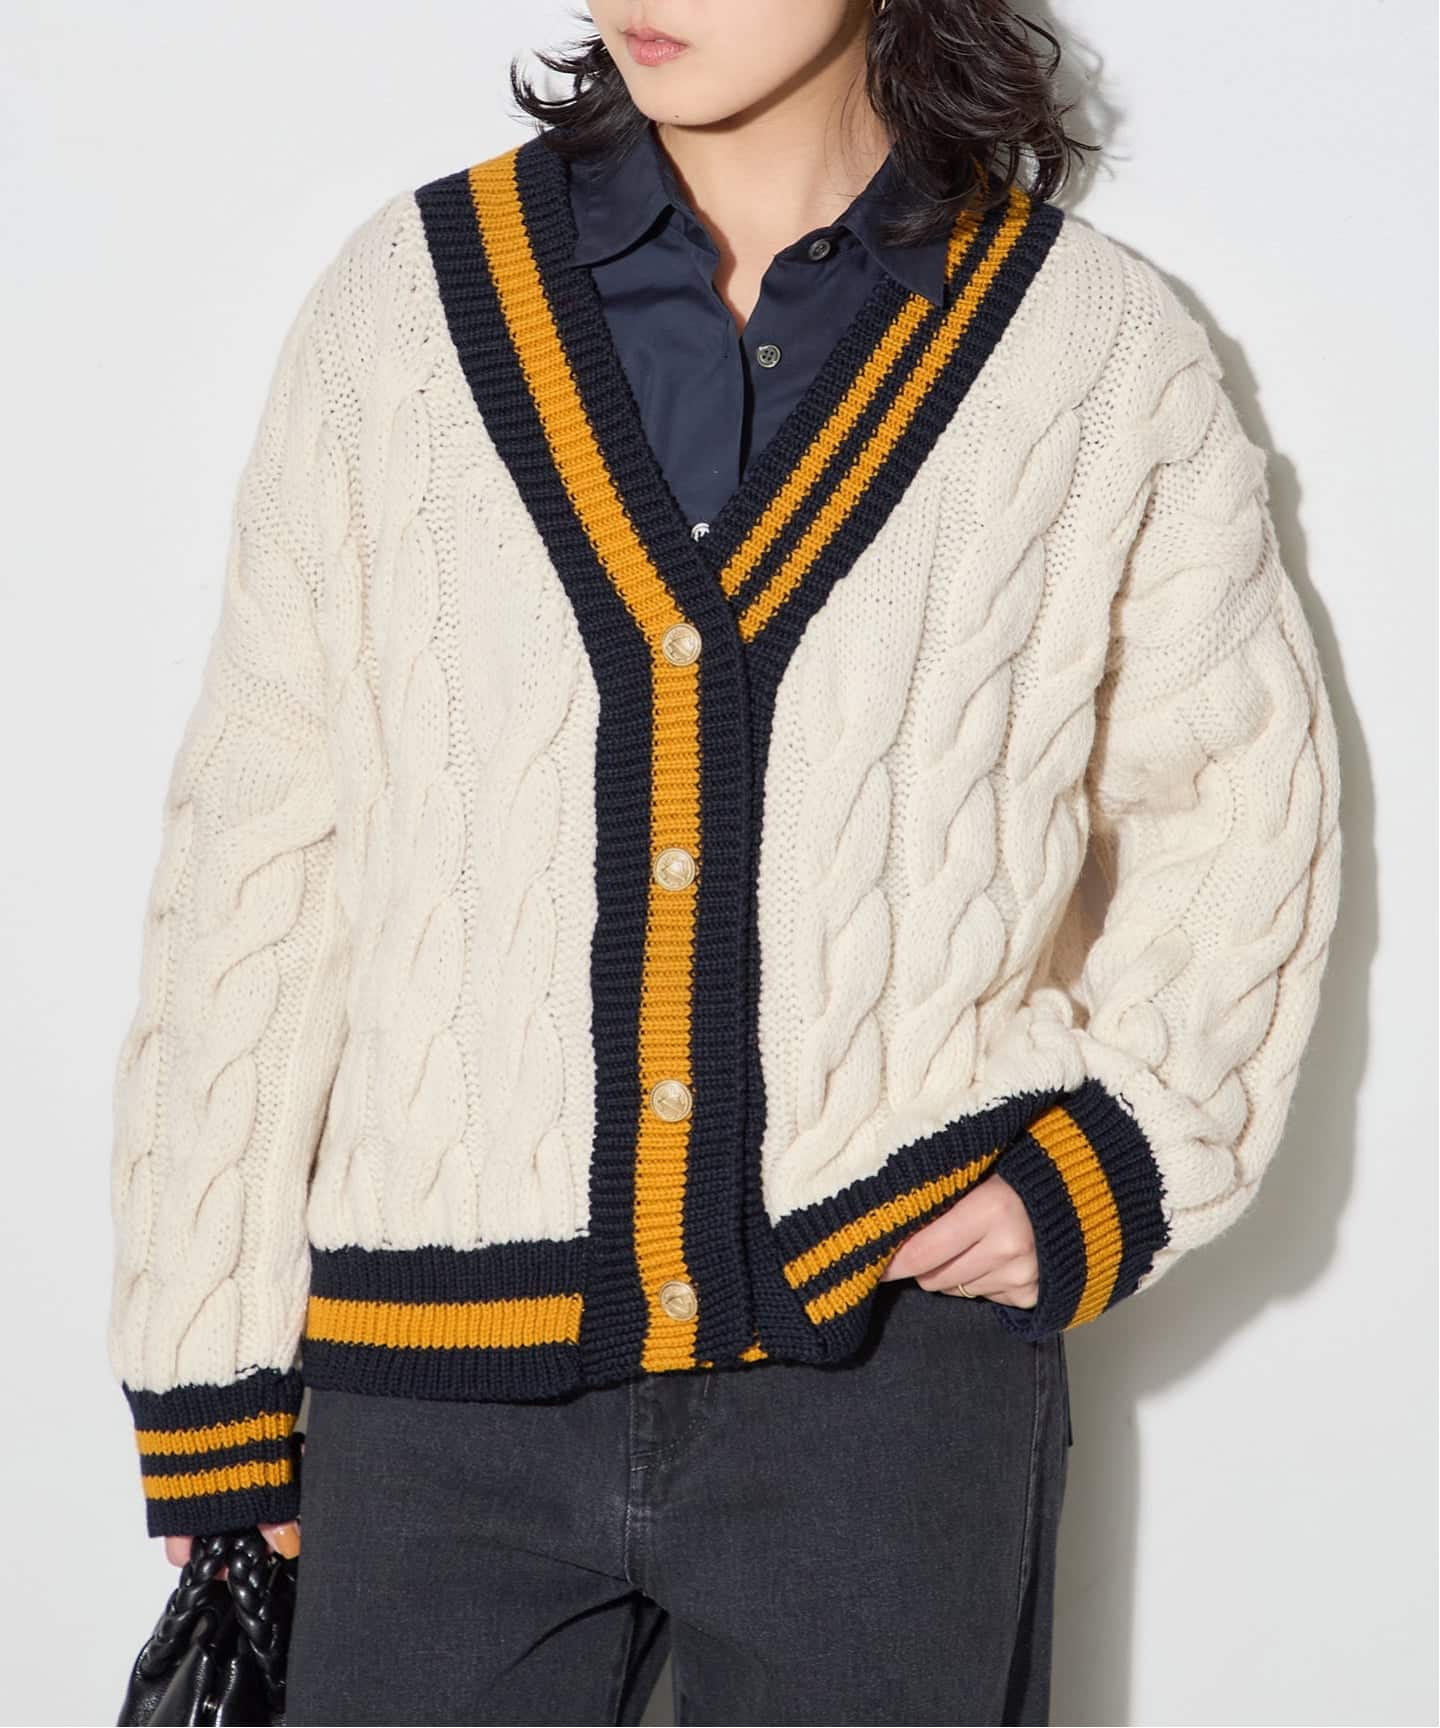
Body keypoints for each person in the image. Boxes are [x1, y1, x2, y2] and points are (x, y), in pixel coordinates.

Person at [106, 1, 1343, 1723]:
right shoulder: (406, 309)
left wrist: (1117, 1160)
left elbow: (1239, 799)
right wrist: (208, 1369)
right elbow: (261, 848)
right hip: (432, 1397)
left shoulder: (1094, 352)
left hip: (884, 1383)